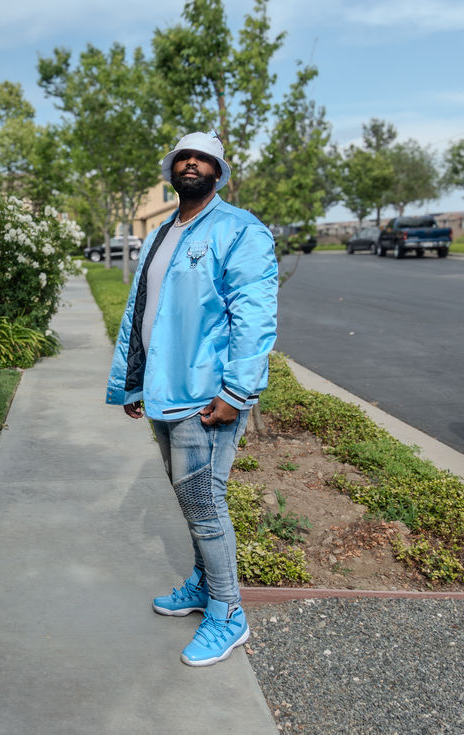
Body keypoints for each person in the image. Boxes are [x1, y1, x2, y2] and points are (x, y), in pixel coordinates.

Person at [105, 132, 278, 666]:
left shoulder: (238, 229)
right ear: (171, 169)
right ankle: (206, 586)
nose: (191, 163)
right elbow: (142, 312)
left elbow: (254, 313)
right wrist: (133, 382)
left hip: (205, 395)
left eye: (202, 157)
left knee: (205, 504)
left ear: (218, 171)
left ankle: (228, 613)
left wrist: (236, 390)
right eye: (183, 156)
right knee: (192, 501)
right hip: (164, 391)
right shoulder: (162, 233)